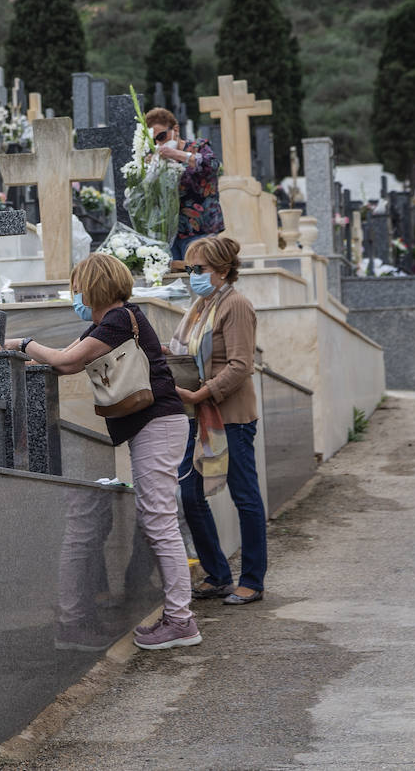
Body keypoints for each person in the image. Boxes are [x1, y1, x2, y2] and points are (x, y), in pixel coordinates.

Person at [4, 252, 201, 651]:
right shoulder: (108, 323)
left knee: (160, 522)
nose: (74, 295)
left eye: (77, 287)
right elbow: (65, 365)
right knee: (157, 520)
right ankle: (178, 616)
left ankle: (181, 620)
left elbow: (66, 359)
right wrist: (27, 352)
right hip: (155, 426)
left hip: (158, 424)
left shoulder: (117, 320)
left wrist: (22, 343)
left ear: (93, 286)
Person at [168, 235, 266, 606]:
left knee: (244, 496)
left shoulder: (235, 305)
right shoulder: (201, 306)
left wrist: (202, 393)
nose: (192, 274)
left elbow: (241, 365)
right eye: (189, 268)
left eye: (200, 268)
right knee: (190, 494)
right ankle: (218, 575)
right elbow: (185, 350)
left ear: (223, 271)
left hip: (229, 415)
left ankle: (252, 580)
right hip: (200, 414)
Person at [145, 107, 221, 261]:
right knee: (174, 274)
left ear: (175, 129)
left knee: (198, 271)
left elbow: (212, 165)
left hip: (200, 229)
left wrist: (177, 154)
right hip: (169, 232)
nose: (159, 143)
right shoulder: (156, 158)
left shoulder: (198, 147)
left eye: (161, 136)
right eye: (154, 140)